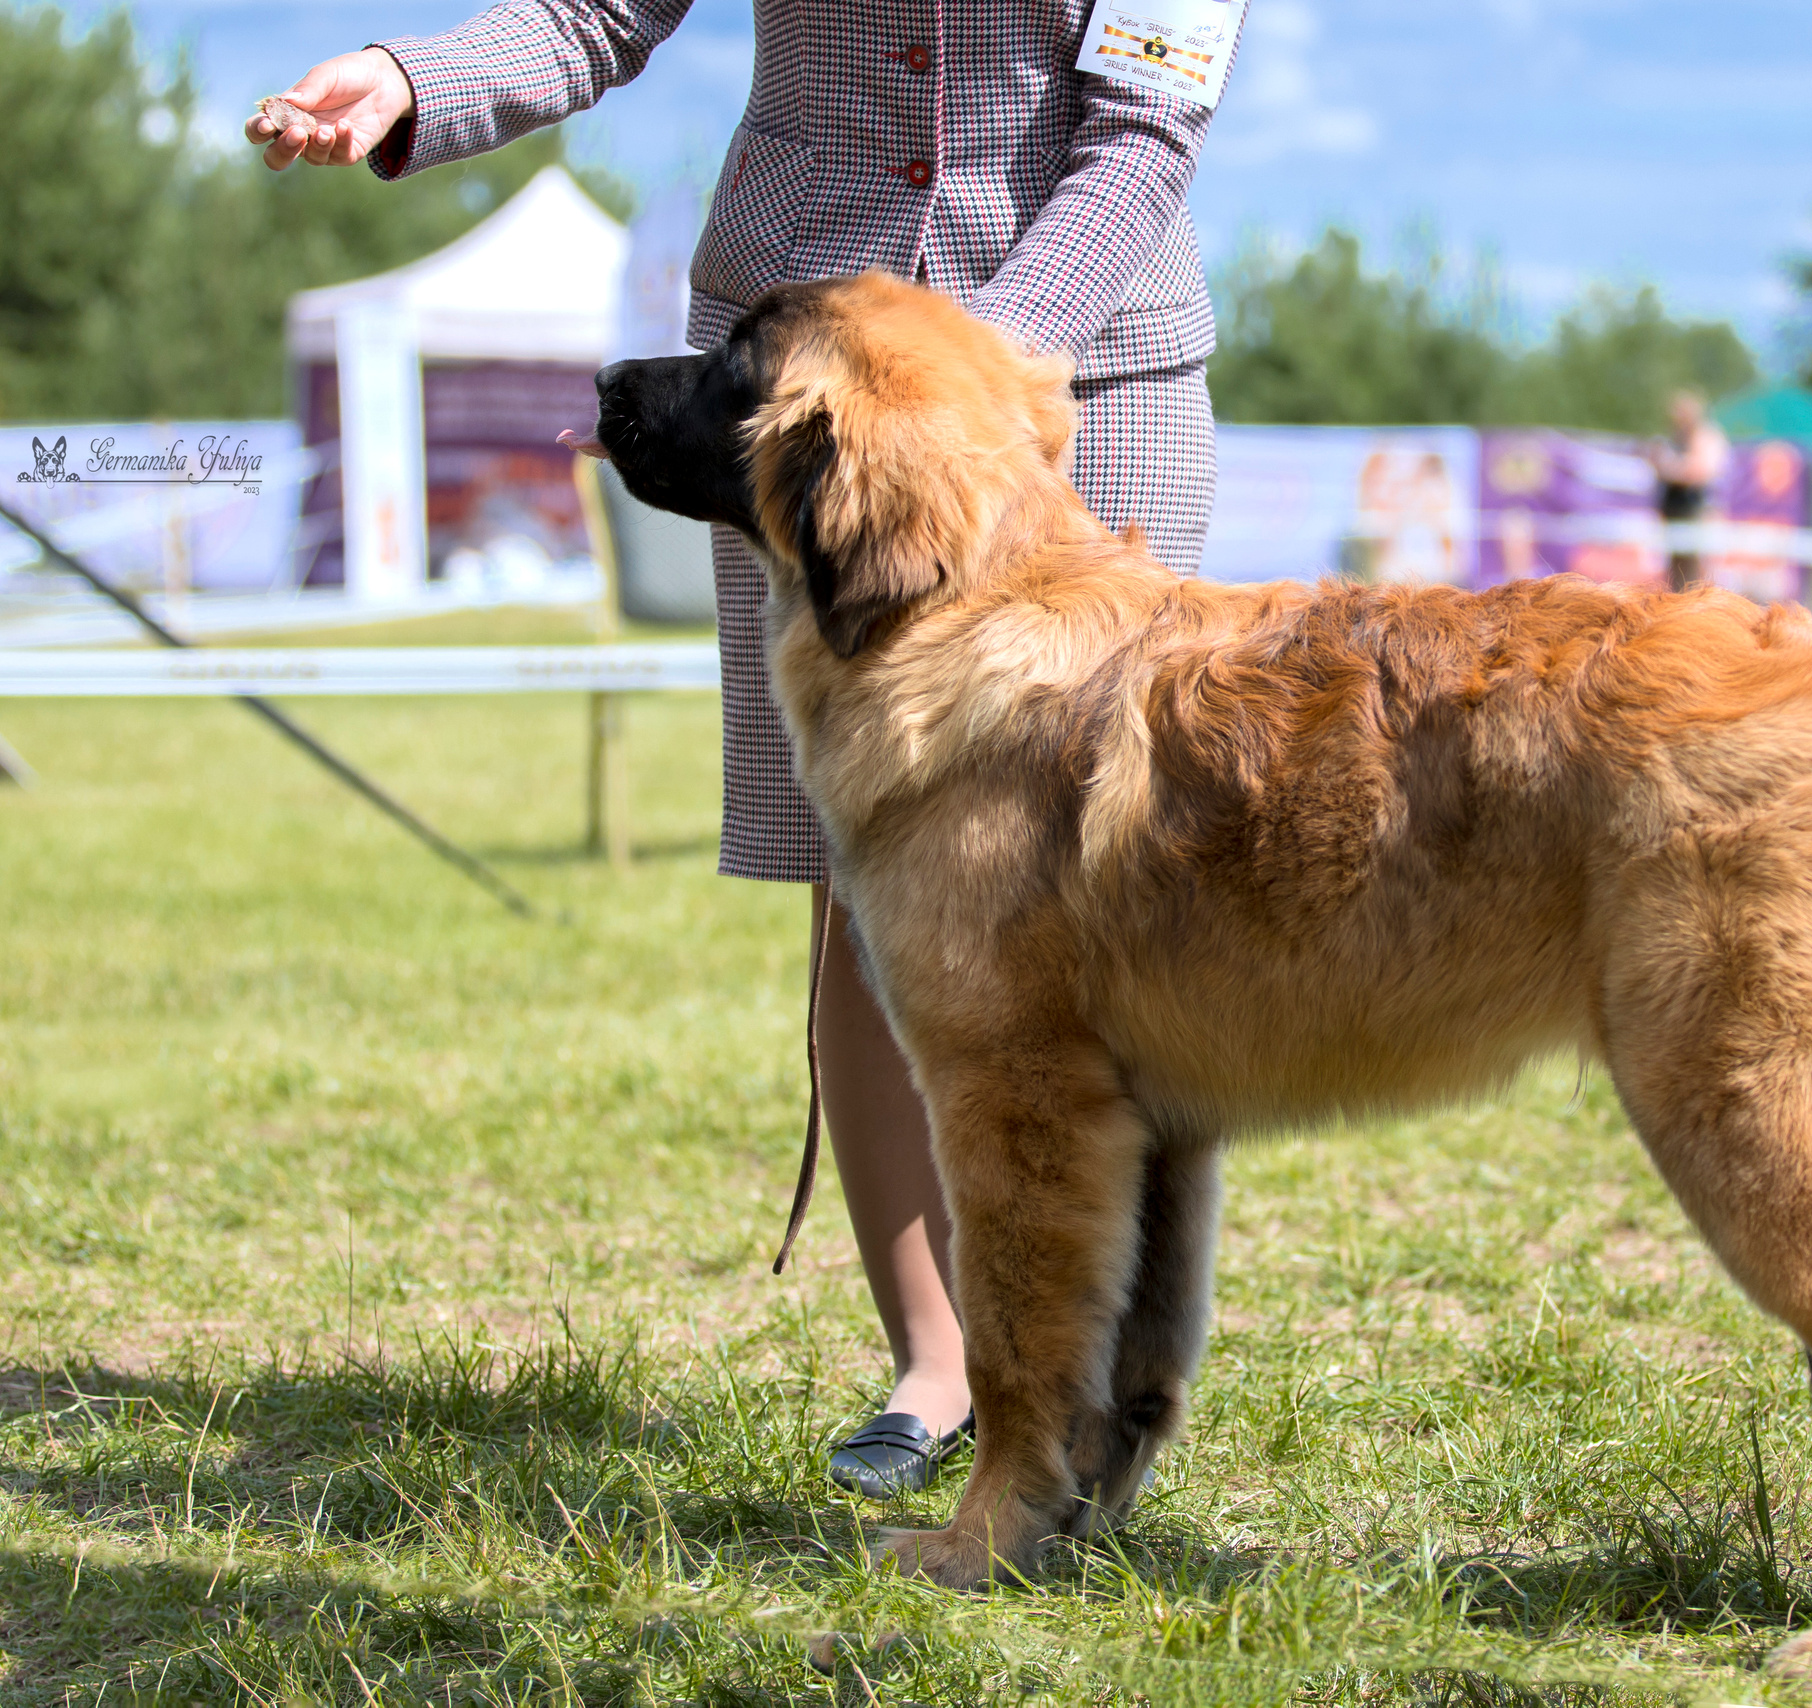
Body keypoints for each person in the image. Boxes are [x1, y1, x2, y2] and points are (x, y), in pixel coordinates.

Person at [248, 0, 1248, 1501]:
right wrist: (408, 79)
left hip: (1078, 380)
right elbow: (597, 10)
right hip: (796, 408)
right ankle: (942, 1363)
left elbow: (1144, 124)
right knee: (871, 887)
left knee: (1114, 906)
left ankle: (1114, 1381)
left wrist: (978, 364)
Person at [1649, 390, 1729, 594]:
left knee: (1698, 574)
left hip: (1697, 512)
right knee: (1677, 574)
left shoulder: (1707, 437)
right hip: (1675, 511)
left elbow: (1700, 471)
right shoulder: (1676, 438)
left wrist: (1670, 467)